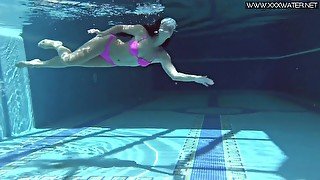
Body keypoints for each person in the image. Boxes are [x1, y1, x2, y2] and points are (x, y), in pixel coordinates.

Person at [16, 18, 214, 86]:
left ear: (171, 33)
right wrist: (102, 33)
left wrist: (196, 78)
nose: (163, 30)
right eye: (162, 26)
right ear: (158, 26)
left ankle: (39, 64)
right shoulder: (141, 32)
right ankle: (56, 44)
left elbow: (175, 75)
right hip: (106, 45)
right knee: (68, 60)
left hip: (111, 62)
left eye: (167, 29)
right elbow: (119, 27)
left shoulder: (162, 55)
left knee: (72, 63)